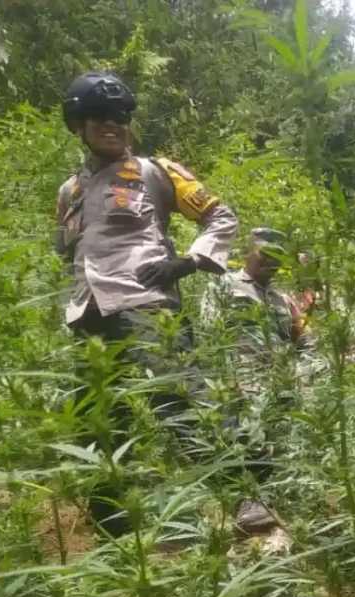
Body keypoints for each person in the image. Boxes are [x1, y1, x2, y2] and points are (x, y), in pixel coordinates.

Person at [54, 71, 238, 535]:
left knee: (180, 398)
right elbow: (69, 251)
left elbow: (220, 216)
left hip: (146, 304)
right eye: (100, 115)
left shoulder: (155, 171)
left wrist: (187, 263)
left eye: (120, 116)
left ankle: (244, 494)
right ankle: (113, 526)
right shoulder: (69, 192)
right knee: (97, 418)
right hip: (89, 312)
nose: (112, 124)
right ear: (78, 125)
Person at [200, 228, 305, 533]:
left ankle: (272, 500)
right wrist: (224, 376)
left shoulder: (282, 299)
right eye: (264, 255)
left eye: (276, 258)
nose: (270, 263)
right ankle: (248, 502)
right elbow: (211, 331)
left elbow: (302, 338)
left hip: (280, 379)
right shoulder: (224, 285)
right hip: (240, 375)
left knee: (283, 440)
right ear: (248, 253)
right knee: (248, 435)